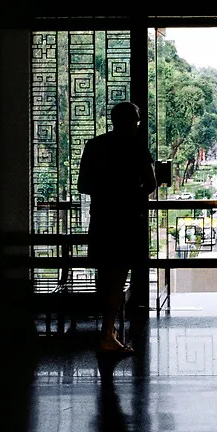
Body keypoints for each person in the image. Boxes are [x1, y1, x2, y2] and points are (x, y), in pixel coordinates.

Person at [78, 101, 156, 354]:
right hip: (126, 220)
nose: (137, 125)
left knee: (105, 275)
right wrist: (131, 196)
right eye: (136, 120)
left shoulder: (94, 145)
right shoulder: (136, 148)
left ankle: (107, 331)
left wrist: (106, 192)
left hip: (102, 218)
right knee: (119, 276)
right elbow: (151, 183)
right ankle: (107, 333)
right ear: (130, 121)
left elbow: (83, 185)